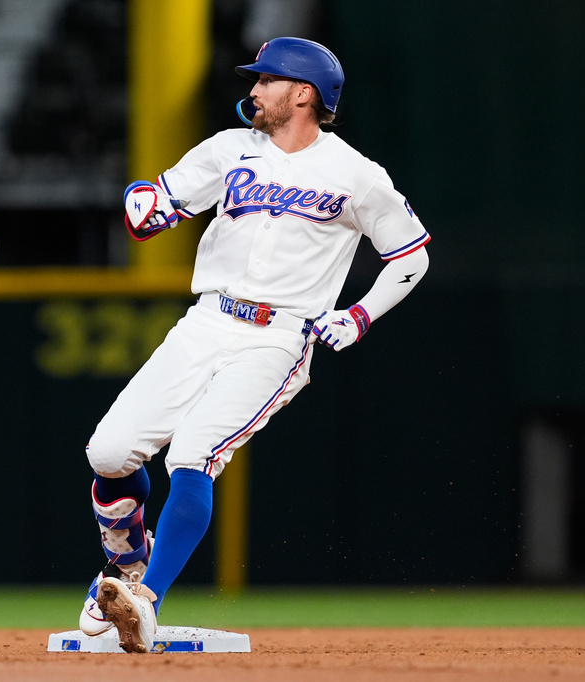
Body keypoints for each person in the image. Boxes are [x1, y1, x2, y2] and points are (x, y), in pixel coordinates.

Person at [78, 36, 431, 653]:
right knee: (107, 453)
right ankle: (126, 561)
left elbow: (411, 257)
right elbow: (162, 201)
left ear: (303, 94)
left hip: (280, 336)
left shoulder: (356, 174)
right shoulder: (229, 149)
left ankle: (145, 600)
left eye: (267, 80)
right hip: (207, 319)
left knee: (191, 455)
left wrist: (360, 315)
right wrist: (147, 203)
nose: (255, 89)